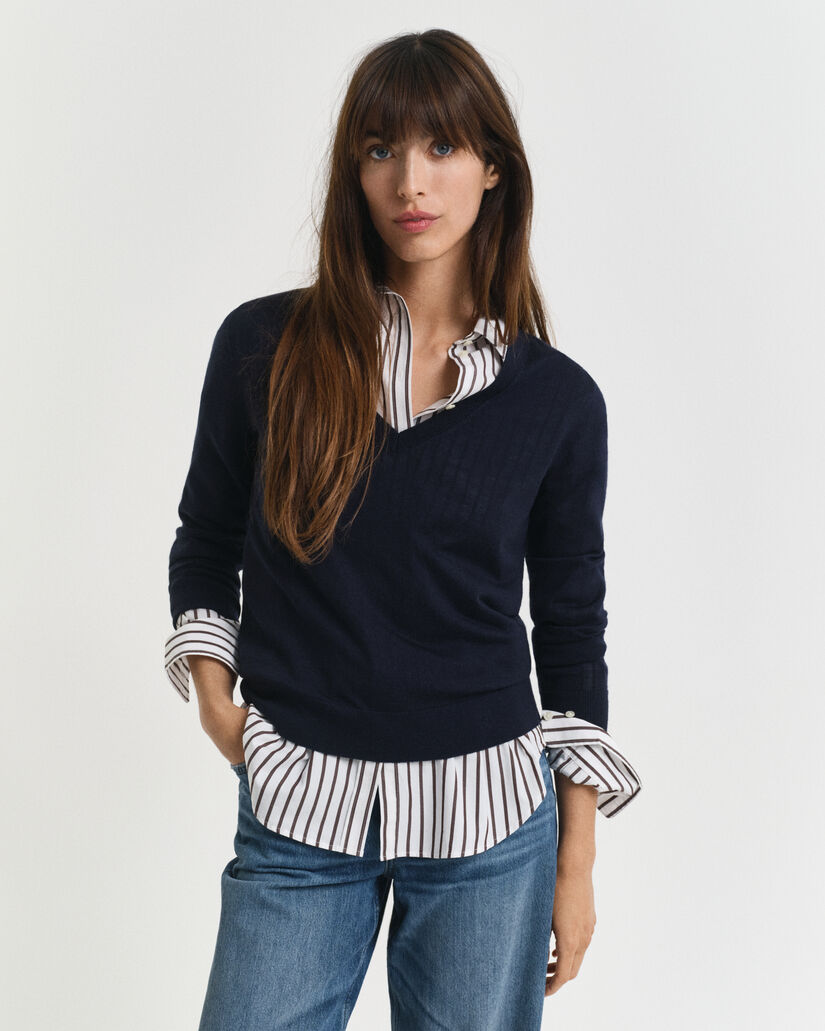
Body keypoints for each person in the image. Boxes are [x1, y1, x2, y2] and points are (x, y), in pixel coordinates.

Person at [164, 27, 642, 1031]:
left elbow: (571, 630)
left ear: (492, 167)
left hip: (489, 823)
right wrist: (216, 703)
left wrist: (576, 862)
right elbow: (206, 538)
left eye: (442, 146)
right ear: (353, 170)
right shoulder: (263, 347)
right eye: (380, 149)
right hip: (300, 807)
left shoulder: (557, 401)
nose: (409, 181)